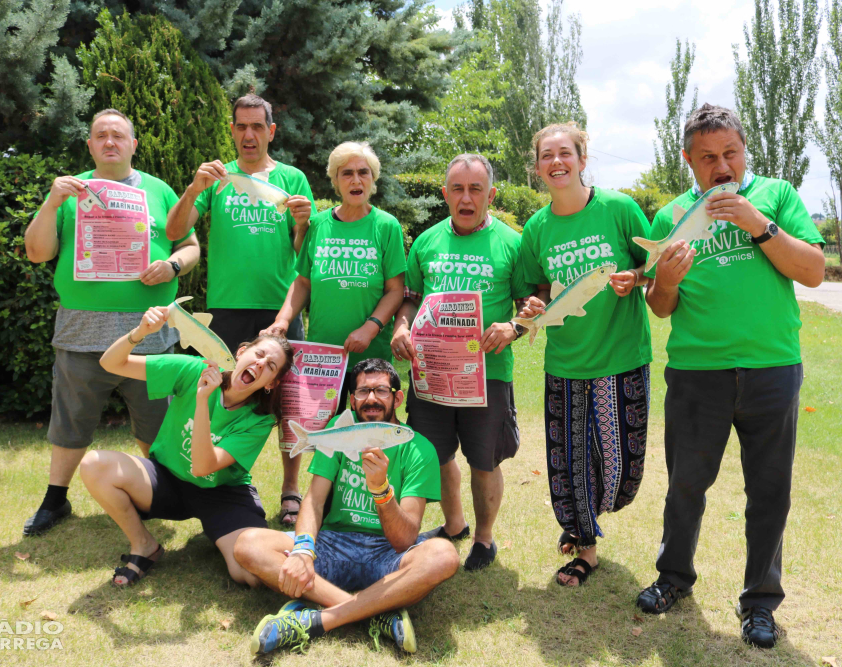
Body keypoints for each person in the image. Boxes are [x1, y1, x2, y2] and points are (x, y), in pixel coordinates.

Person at [635, 104, 824, 649]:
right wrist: (664, 282)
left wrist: (757, 224)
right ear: (690, 161)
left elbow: (812, 271)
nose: (722, 167)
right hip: (697, 374)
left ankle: (761, 602)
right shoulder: (671, 215)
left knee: (770, 491)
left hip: (772, 369)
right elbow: (660, 305)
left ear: (744, 152)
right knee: (685, 486)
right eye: (709, 158)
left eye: (731, 154)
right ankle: (674, 578)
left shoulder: (777, 196)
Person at [22, 108, 200, 537]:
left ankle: (161, 492)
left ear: (133, 144)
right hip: (82, 331)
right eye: (100, 135)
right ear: (90, 145)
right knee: (71, 418)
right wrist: (51, 201)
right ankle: (54, 499)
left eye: (118, 135)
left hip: (151, 333)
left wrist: (173, 266)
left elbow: (191, 245)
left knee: (156, 421)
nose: (109, 142)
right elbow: (37, 252)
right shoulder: (71, 192)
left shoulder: (160, 191)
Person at [234, 358, 458, 655]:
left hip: (387, 555)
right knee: (247, 544)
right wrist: (302, 549)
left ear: (397, 397)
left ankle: (318, 620)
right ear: (352, 400)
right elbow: (314, 501)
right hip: (331, 544)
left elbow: (404, 540)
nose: (371, 399)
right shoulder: (340, 433)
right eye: (362, 392)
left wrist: (381, 490)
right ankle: (374, 613)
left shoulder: (419, 449)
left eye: (381, 390)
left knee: (443, 555)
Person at [165, 93, 314, 525]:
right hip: (226, 310)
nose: (248, 135)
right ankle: (223, 482)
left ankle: (290, 490)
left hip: (279, 312)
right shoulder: (217, 178)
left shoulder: (293, 179)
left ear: (271, 131)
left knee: (287, 405)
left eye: (257, 126)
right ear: (231, 130)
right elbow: (175, 230)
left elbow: (304, 255)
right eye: (240, 126)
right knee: (217, 396)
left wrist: (303, 223)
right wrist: (195, 187)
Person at [517, 122, 654, 587]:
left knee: (622, 468)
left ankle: (587, 512)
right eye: (546, 156)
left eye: (565, 153)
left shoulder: (619, 209)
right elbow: (533, 292)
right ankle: (584, 544)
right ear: (536, 167)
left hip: (621, 356)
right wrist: (532, 306)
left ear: (582, 158)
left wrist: (635, 278)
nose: (556, 162)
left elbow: (652, 265)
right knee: (569, 460)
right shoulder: (536, 228)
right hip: (565, 363)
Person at [79, 305, 294, 586]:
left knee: (249, 574)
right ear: (241, 352)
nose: (260, 364)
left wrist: (203, 401)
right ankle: (143, 545)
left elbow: (203, 467)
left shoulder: (260, 419)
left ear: (272, 383)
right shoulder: (192, 369)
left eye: (271, 366)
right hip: (168, 481)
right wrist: (141, 331)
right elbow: (111, 363)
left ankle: (308, 542)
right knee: (94, 464)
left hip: (222, 494)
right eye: (259, 354)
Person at [391, 154, 531, 571]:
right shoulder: (426, 240)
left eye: (475, 189)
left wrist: (513, 327)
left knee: (484, 460)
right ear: (444, 194)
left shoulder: (512, 243)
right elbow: (412, 297)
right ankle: (454, 525)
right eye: (457, 188)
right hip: (431, 372)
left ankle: (484, 541)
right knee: (434, 455)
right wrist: (401, 326)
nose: (466, 198)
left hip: (486, 375)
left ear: (491, 193)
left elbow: (529, 305)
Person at [264, 141, 406, 410]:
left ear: (373, 179)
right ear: (336, 181)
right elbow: (303, 281)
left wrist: (370, 327)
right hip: (322, 359)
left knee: (367, 441)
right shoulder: (318, 225)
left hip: (371, 359)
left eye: (363, 172)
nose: (356, 180)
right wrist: (281, 321)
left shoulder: (387, 226)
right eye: (346, 173)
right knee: (324, 440)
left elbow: (395, 289)